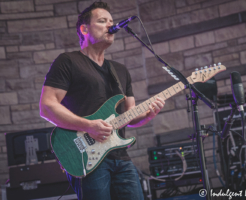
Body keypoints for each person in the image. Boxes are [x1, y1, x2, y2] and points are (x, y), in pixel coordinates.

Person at [39, 2, 165, 200]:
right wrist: (88, 126)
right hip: (86, 157)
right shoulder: (68, 61)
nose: (110, 25)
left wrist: (149, 114)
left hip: (120, 157)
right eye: (102, 21)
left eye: (112, 21)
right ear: (84, 29)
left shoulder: (120, 70)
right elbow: (47, 107)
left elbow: (129, 117)